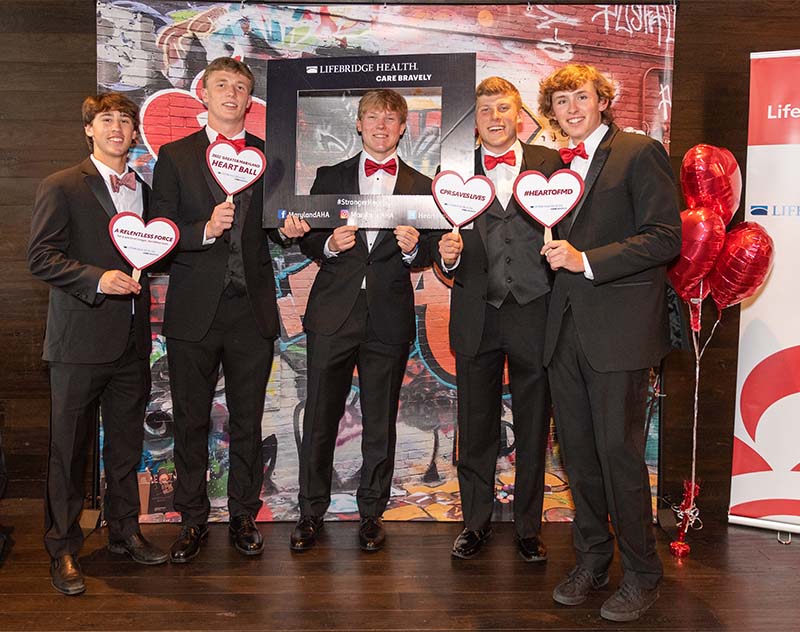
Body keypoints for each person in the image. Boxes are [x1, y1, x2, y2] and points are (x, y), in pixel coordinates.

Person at [537, 64, 681, 622]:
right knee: (577, 456)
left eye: (582, 97)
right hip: (564, 330)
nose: (572, 108)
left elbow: (665, 237)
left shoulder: (638, 152)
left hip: (619, 331)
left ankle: (643, 575)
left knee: (619, 456)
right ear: (552, 112)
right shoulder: (550, 166)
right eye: (561, 101)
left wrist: (587, 261)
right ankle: (594, 560)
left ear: (603, 100)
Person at [151, 57, 309, 563]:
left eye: (241, 87)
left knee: (248, 419)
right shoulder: (175, 157)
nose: (232, 94)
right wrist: (203, 229)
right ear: (205, 93)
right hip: (194, 314)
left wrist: (288, 229)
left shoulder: (270, 157)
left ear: (248, 99)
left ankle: (243, 515)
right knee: (192, 421)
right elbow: (158, 234)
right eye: (223, 85)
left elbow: (280, 223)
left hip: (253, 313)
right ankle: (192, 520)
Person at [28, 92, 168, 596]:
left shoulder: (147, 193)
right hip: (77, 343)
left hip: (132, 342)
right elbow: (41, 256)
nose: (117, 128)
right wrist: (97, 278)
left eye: (125, 121)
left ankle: (124, 532)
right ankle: (63, 548)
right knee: (68, 451)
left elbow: (159, 254)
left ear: (135, 135)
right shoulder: (62, 185)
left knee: (127, 447)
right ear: (89, 129)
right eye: (106, 120)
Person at [291, 89, 433, 552]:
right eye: (372, 117)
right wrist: (329, 246)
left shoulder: (421, 182)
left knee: (379, 422)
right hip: (334, 311)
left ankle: (371, 512)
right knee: (320, 418)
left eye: (391, 119)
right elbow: (309, 239)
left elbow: (432, 250)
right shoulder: (329, 175)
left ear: (402, 127)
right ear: (358, 124)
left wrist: (414, 248)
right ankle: (310, 512)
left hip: (388, 317)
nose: (381, 125)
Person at [437, 77, 562, 561]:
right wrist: (445, 257)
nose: (494, 117)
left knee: (534, 426)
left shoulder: (549, 164)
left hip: (535, 310)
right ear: (475, 118)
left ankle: (529, 528)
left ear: (518, 115)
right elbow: (436, 244)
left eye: (503, 107)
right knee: (476, 426)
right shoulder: (454, 170)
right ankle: (476, 523)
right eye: (485, 108)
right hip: (477, 313)